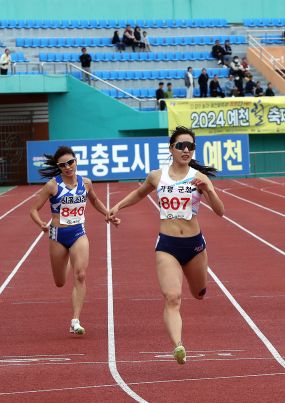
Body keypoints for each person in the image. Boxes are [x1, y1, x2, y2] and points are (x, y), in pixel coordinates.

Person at [107, 126, 225, 364]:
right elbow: (140, 194)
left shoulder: (199, 178)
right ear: (171, 148)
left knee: (198, 295)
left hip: (194, 246)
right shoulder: (156, 176)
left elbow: (221, 212)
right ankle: (178, 346)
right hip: (167, 245)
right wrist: (118, 205)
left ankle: (199, 289)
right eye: (181, 145)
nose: (186, 150)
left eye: (190, 146)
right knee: (172, 297)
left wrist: (209, 188)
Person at [29, 146, 117, 335]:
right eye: (63, 164)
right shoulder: (53, 185)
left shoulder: (85, 183)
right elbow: (33, 210)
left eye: (71, 162)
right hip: (58, 236)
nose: (68, 167)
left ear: (76, 161)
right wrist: (41, 224)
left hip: (78, 233)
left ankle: (75, 321)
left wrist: (107, 214)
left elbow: (93, 201)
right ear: (59, 167)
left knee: (81, 275)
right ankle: (68, 258)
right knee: (60, 281)